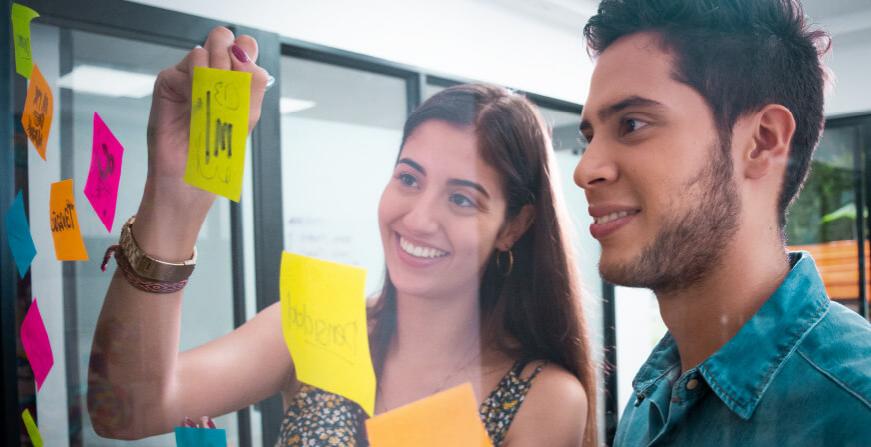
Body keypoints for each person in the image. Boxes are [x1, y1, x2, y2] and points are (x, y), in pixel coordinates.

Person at [87, 27, 597, 447]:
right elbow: (125, 412)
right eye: (409, 178)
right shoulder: (315, 324)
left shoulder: (543, 397)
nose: (418, 219)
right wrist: (174, 200)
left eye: (461, 199)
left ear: (515, 225)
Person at [574, 0, 871, 445]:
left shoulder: (855, 410)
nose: (585, 170)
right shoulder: (650, 397)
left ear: (762, 142)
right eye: (589, 137)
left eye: (632, 124)